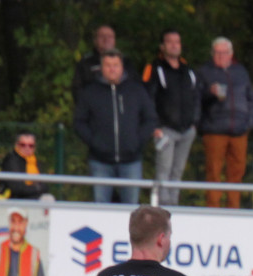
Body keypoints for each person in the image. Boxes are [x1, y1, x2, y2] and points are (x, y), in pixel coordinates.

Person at [74, 50, 158, 205]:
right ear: (101, 68)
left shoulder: (136, 90)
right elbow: (79, 122)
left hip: (131, 161)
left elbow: (150, 119)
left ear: (122, 67)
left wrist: (137, 142)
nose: (112, 69)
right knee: (101, 207)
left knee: (131, 209)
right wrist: (95, 142)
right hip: (100, 161)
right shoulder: (90, 92)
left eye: (115, 65)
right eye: (108, 65)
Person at [142, 29, 201, 206]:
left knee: (178, 171)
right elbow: (147, 97)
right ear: (162, 46)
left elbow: (196, 97)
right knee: (163, 170)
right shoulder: (154, 68)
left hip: (187, 129)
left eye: (177, 41)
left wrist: (194, 124)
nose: (174, 45)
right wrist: (154, 125)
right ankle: (161, 208)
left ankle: (174, 206)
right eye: (170, 41)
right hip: (165, 129)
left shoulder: (188, 70)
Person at [197, 37, 253, 208]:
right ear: (212, 54)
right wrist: (210, 93)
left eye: (224, 53)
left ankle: (233, 211)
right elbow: (196, 98)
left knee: (237, 174)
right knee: (214, 173)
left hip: (240, 130)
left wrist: (250, 123)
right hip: (214, 129)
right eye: (217, 53)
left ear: (231, 54)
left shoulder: (241, 71)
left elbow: (251, 98)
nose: (221, 56)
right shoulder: (204, 72)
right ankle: (213, 212)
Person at [0, 208, 46, 276]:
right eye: (13, 222)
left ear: (26, 223)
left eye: (20, 222)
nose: (16, 228)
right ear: (9, 223)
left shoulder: (33, 253)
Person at [71, 24, 138, 102]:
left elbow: (136, 85)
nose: (106, 39)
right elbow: (77, 89)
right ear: (95, 40)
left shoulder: (126, 62)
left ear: (114, 40)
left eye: (110, 36)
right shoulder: (86, 63)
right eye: (102, 36)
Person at [0, 131, 49, 200]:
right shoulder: (11, 160)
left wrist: (37, 188)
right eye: (23, 145)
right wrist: (37, 187)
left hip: (33, 198)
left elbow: (45, 186)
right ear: (16, 145)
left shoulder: (34, 161)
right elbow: (17, 188)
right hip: (12, 201)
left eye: (31, 146)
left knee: (48, 198)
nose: (27, 148)